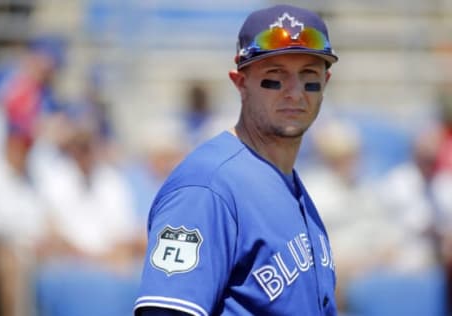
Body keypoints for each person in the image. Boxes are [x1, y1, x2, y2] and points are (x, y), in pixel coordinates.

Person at [134, 4, 339, 316]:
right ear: (241, 83)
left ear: (325, 83)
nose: (295, 93)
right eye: (275, 77)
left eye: (308, 76)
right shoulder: (206, 187)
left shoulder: (290, 185)